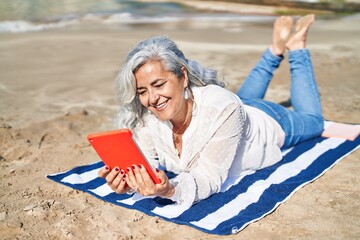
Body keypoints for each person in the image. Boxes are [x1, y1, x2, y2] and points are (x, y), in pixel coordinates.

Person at [98, 14, 324, 207]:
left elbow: (209, 178)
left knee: (315, 122)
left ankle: (296, 48)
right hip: (236, 110)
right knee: (241, 100)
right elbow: (144, 161)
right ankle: (274, 49)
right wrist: (129, 182)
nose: (152, 98)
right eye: (142, 91)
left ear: (183, 76)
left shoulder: (223, 107)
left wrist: (169, 191)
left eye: (159, 85)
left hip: (269, 120)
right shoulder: (150, 117)